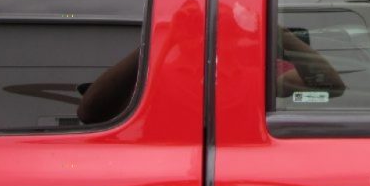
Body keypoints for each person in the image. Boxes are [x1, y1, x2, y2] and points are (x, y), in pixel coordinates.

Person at [77, 27, 344, 124]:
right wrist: (161, 37)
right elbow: (90, 112)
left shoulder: (260, 71)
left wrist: (279, 34)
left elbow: (332, 87)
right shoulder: (160, 71)